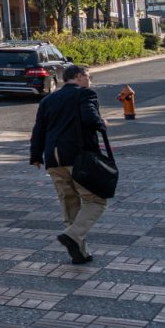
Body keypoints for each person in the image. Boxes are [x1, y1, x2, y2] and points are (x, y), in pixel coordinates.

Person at [29, 63, 109, 264]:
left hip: (53, 159)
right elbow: (90, 119)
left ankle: (80, 253)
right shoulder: (85, 94)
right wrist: (102, 123)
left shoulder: (48, 99)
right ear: (79, 76)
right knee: (96, 200)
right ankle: (72, 235)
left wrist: (36, 156)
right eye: (88, 76)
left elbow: (39, 130)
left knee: (69, 202)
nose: (89, 81)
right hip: (77, 157)